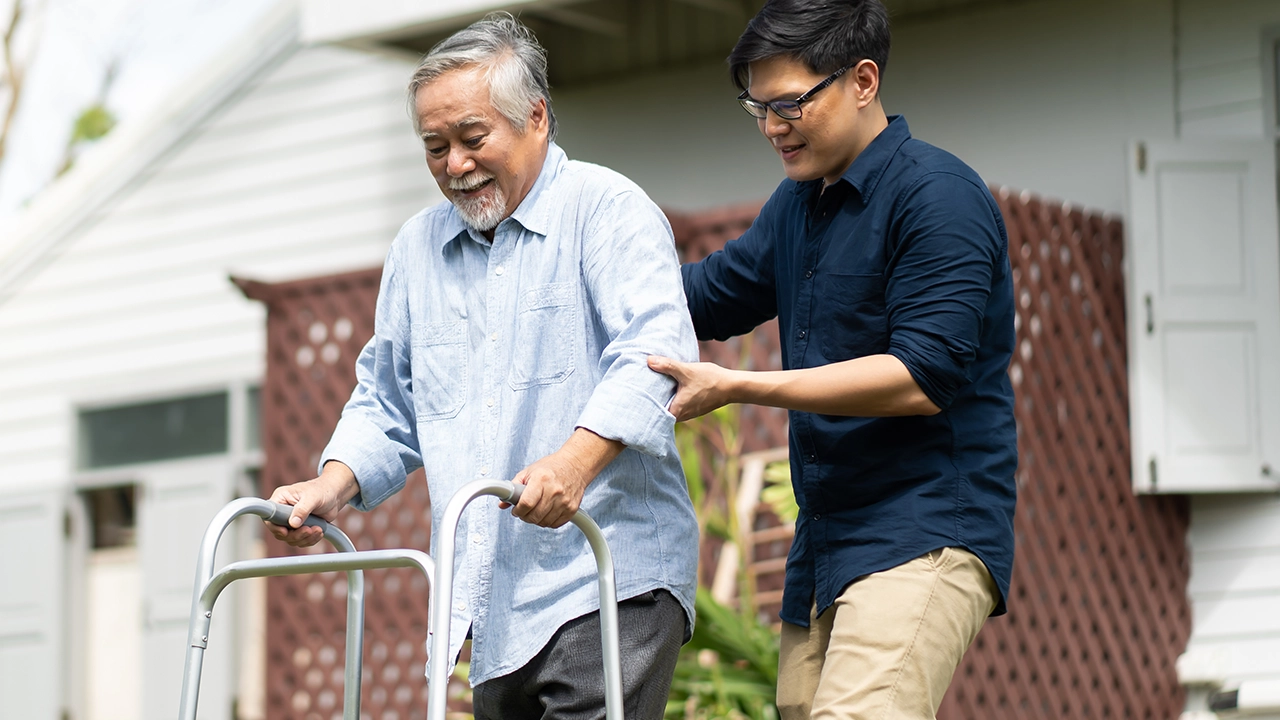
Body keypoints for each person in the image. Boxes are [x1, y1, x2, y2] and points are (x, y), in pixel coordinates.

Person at [265, 13, 699, 720]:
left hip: (605, 574)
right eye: (435, 147)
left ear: (537, 118)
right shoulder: (416, 249)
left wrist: (574, 464)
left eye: (472, 139)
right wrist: (329, 486)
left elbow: (655, 358)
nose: (455, 165)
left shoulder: (607, 211)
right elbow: (387, 400)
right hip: (490, 601)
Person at [647, 1, 1018, 718]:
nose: (772, 126)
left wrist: (739, 385)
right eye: (758, 106)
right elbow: (701, 299)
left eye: (789, 104)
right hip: (825, 542)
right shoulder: (796, 206)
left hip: (924, 528)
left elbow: (921, 377)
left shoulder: (938, 197)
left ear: (863, 81)